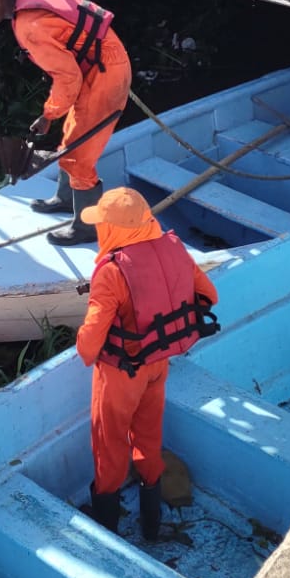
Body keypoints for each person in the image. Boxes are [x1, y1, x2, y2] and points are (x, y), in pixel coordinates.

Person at [74, 188, 219, 541]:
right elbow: (209, 295)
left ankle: (107, 526)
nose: (99, 229)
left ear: (114, 228)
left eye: (103, 223)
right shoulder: (174, 247)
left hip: (120, 372)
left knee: (109, 444)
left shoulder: (112, 271)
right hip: (158, 363)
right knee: (149, 437)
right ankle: (151, 526)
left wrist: (85, 349)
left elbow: (89, 343)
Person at [0, 0, 132, 245]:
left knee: (80, 155)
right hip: (103, 58)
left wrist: (49, 113)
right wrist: (53, 114)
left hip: (104, 73)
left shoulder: (30, 28)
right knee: (69, 139)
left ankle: (87, 227)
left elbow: (68, 78)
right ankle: (65, 198)